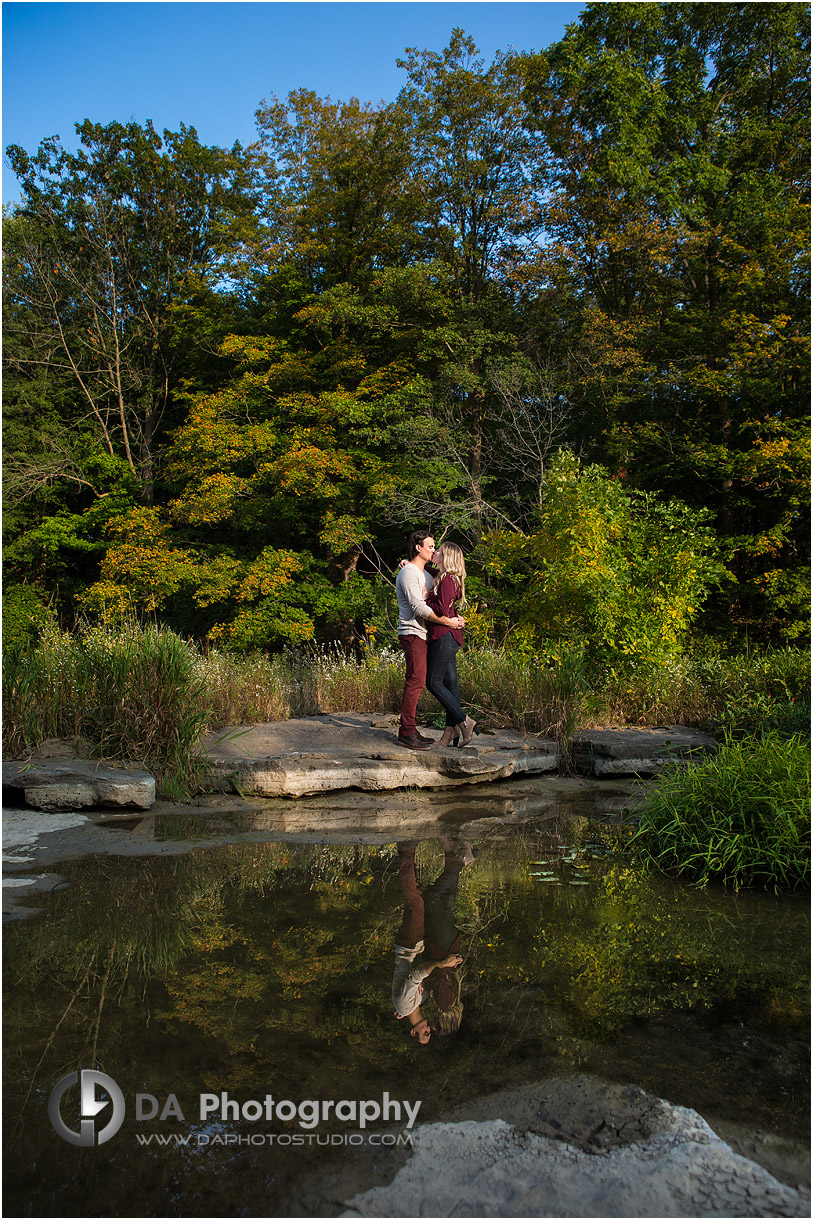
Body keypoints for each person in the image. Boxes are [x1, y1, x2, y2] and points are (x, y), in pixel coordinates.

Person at [391, 839, 471, 1045]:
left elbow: (416, 975)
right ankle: (452, 856)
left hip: (409, 947)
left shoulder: (407, 1005)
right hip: (416, 946)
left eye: (425, 1033)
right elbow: (421, 984)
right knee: (425, 903)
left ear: (413, 1032)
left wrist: (403, 1008)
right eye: (431, 1032)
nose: (429, 1029)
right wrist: (403, 1009)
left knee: (416, 903)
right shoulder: (419, 1003)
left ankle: (407, 850)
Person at [395, 531, 464, 750]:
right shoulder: (409, 573)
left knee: (428, 681)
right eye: (431, 546)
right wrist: (448, 621)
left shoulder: (424, 573)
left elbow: (446, 594)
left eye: (436, 547)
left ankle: (412, 729)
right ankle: (406, 733)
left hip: (426, 634)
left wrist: (453, 618)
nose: (434, 550)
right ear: (418, 547)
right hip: (412, 632)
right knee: (416, 681)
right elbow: (417, 607)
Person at [425, 542, 481, 748]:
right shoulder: (447, 577)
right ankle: (450, 734)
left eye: (438, 550)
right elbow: (431, 571)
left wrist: (424, 599)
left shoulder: (447, 580)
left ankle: (464, 720)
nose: (435, 552)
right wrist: (417, 564)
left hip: (445, 635)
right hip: (450, 635)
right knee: (451, 684)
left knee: (433, 682)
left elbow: (440, 610)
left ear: (446, 557)